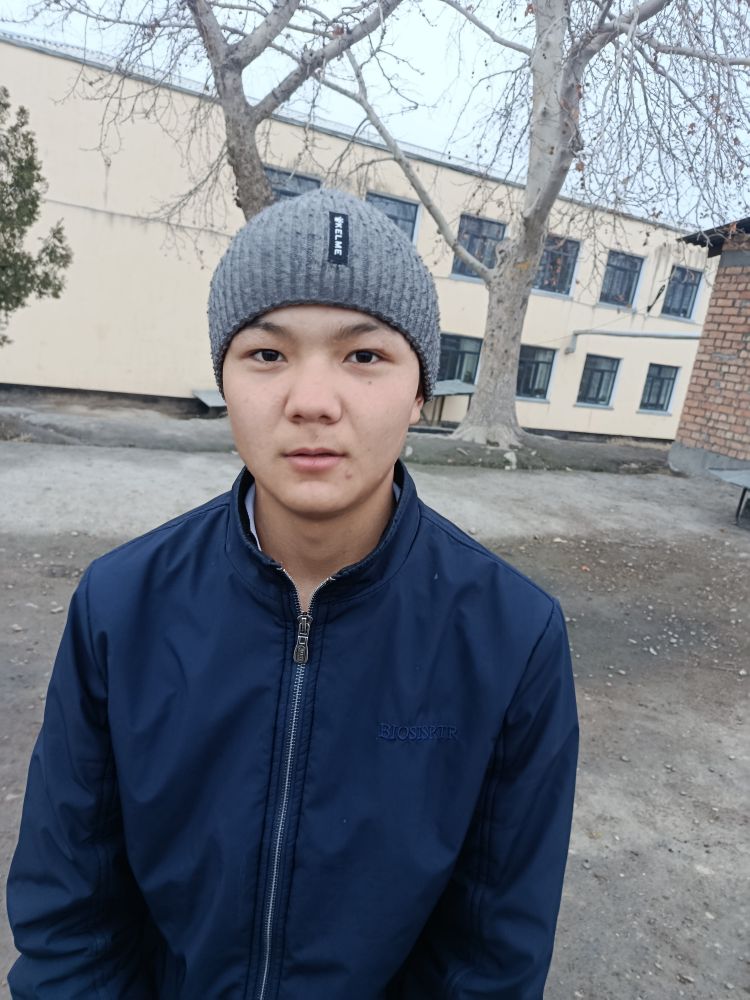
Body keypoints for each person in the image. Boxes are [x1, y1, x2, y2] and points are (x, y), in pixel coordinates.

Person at [6, 189, 578, 999]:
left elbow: (491, 957)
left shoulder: (512, 638)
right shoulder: (120, 607)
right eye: (268, 354)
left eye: (364, 356)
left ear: (420, 390)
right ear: (224, 379)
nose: (312, 401)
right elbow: (72, 919)